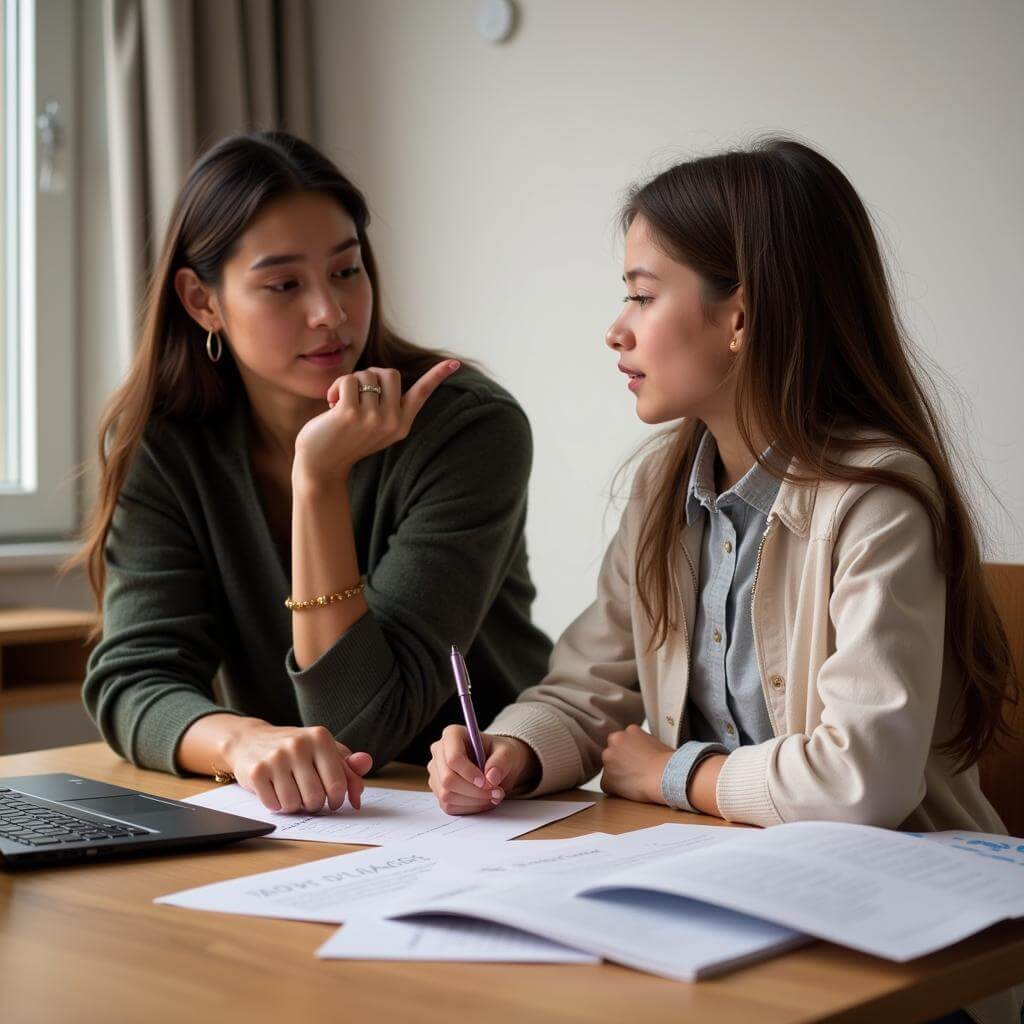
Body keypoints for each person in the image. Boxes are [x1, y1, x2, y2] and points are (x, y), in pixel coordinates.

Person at [80, 130, 552, 816]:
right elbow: (134, 679)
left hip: (477, 817)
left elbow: (363, 723)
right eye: (283, 284)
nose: (329, 313)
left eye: (346, 270)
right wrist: (242, 742)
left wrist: (317, 480)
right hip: (295, 826)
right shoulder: (167, 445)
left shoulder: (467, 427)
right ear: (201, 300)